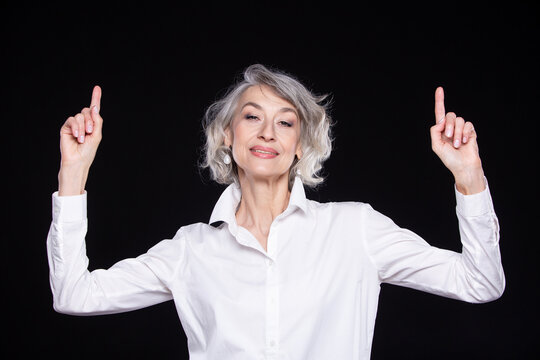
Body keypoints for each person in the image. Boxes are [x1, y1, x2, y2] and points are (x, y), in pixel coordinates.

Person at [47, 64, 505, 359]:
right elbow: (74, 295)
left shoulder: (354, 229)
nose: (268, 132)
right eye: (251, 117)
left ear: (300, 146)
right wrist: (74, 171)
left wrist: (469, 177)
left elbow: (480, 283)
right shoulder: (191, 250)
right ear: (227, 135)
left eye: (285, 122)